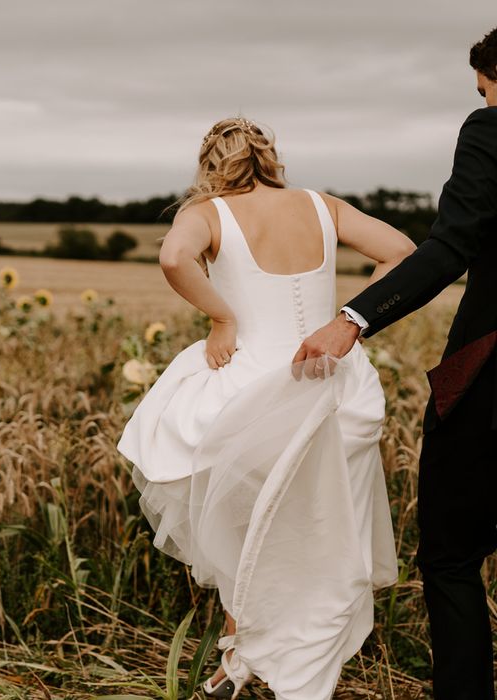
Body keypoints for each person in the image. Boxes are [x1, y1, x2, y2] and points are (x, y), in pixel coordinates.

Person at [116, 116, 415, 699]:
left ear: (209, 163)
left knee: (246, 526)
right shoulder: (322, 205)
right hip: (331, 384)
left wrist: (222, 317)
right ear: (268, 155)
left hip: (250, 384)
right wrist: (344, 322)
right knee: (318, 529)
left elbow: (176, 258)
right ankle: (265, 662)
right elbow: (401, 251)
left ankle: (251, 659)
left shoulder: (205, 213)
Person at [293, 27, 497, 700]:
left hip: (491, 379)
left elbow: (450, 246)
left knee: (451, 557)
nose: (483, 100)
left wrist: (353, 318)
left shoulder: (490, 129)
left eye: (484, 88)